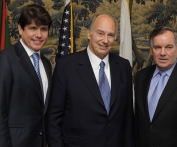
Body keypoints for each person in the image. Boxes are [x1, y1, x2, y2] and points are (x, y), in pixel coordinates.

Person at [46, 14, 135, 147]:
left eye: (110, 35)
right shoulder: (67, 65)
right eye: (100, 33)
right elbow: (53, 117)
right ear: (89, 34)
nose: (105, 40)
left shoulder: (123, 66)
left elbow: (128, 117)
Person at [0, 4, 52, 147]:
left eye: (43, 29)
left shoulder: (46, 64)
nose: (39, 35)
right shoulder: (4, 59)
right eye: (33, 28)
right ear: (20, 29)